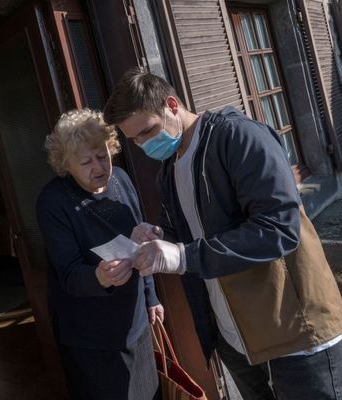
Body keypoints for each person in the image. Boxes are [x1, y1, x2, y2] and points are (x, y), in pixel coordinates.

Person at [103, 68, 342, 400]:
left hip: (295, 332)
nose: (144, 144)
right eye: (135, 140)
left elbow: (278, 229)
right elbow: (191, 235)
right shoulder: (169, 171)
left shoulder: (238, 136)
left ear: (172, 104)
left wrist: (184, 256)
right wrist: (159, 236)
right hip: (234, 338)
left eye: (148, 131)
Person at [36, 108, 162, 400]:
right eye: (86, 161)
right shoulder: (53, 201)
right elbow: (67, 273)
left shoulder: (121, 179)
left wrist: (151, 295)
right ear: (65, 163)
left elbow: (139, 242)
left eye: (103, 156)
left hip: (135, 321)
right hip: (90, 336)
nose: (99, 167)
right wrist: (99, 275)